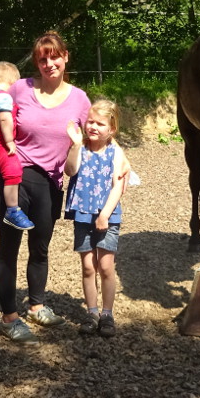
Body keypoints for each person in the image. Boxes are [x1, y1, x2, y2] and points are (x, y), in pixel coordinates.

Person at [0, 32, 90, 344]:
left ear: (66, 57)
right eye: (42, 58)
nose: (49, 63)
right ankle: (9, 317)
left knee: (40, 247)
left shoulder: (80, 100)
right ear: (37, 62)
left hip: (50, 184)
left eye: (54, 57)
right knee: (9, 247)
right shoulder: (19, 88)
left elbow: (94, 139)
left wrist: (118, 168)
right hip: (14, 178)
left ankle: (36, 306)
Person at [64, 99, 130, 337]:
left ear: (111, 129)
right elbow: (70, 171)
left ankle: (107, 313)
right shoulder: (80, 147)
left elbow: (118, 187)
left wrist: (104, 215)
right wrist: (74, 146)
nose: (93, 127)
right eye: (90, 121)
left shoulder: (115, 152)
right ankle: (91, 312)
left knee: (106, 266)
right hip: (83, 214)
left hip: (107, 216)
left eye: (100, 124)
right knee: (88, 266)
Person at [0, 62, 35, 232]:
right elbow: (4, 119)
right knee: (13, 170)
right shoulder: (4, 97)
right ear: (13, 84)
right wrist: (10, 141)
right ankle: (12, 209)